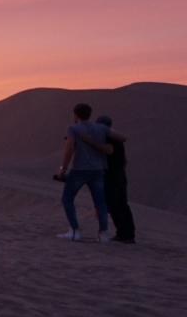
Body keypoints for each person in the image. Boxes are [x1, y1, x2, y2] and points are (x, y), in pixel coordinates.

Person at [55, 103, 110, 242]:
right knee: (100, 203)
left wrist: (63, 169)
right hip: (98, 170)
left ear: (75, 114)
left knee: (67, 199)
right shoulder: (101, 128)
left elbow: (69, 150)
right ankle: (103, 234)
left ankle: (75, 231)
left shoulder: (73, 128)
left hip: (80, 169)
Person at [94, 115, 135, 243]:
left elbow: (109, 152)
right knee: (120, 205)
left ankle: (125, 235)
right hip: (119, 176)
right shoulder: (115, 139)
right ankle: (127, 234)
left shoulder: (109, 139)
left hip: (112, 177)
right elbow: (124, 160)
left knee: (116, 205)